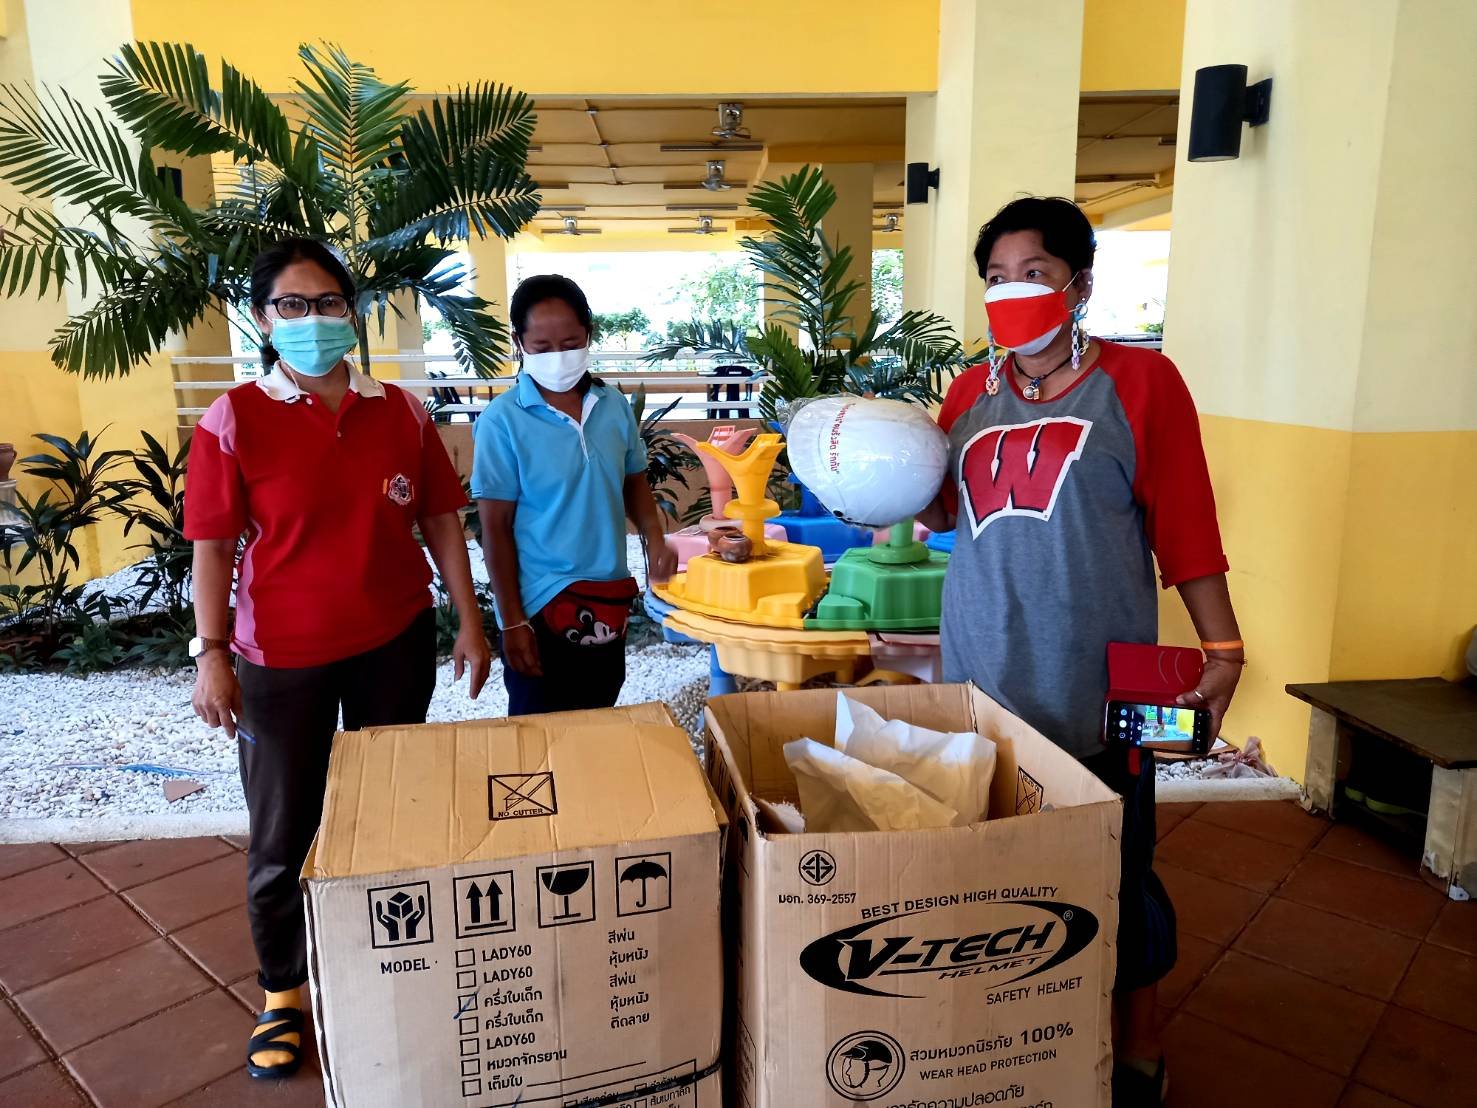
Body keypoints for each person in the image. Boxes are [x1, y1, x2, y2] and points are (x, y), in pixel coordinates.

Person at [920, 197, 1244, 1106]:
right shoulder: (967, 396)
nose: (1011, 291)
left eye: (1033, 273)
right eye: (995, 277)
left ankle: (1138, 1041)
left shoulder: (1140, 383)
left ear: (1080, 285)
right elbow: (936, 512)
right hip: (982, 675)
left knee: (1119, 869)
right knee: (997, 870)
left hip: (1103, 685)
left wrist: (1221, 645)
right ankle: (1022, 1034)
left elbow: (1185, 523)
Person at [185, 238, 491, 1080]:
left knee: (391, 812)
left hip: (394, 643)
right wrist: (212, 655)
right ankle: (283, 992)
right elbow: (212, 548)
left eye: (328, 302)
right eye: (292, 304)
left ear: (350, 312)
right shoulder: (232, 420)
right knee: (284, 828)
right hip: (280, 658)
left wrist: (470, 622)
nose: (313, 319)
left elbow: (438, 521)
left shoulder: (400, 411)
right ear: (263, 319)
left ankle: (383, 963)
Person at [472, 274, 676, 715]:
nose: (558, 356)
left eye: (570, 343)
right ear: (519, 342)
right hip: (540, 605)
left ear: (589, 334)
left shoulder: (612, 406)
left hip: (609, 598)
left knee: (600, 713)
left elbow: (634, 481)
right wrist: (512, 622)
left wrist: (655, 538)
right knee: (539, 730)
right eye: (542, 347)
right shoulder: (502, 421)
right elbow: (495, 529)